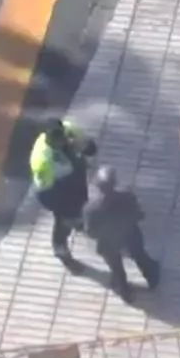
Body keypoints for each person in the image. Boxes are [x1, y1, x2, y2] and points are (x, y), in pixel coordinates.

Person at [82, 166, 160, 300]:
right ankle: (153, 279)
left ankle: (124, 291)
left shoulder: (91, 209)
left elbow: (90, 232)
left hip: (108, 242)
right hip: (130, 234)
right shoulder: (127, 196)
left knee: (116, 267)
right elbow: (139, 214)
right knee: (141, 257)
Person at [29, 117, 97, 265]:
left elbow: (90, 147)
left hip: (75, 180)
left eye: (62, 138)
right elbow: (44, 187)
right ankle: (60, 246)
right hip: (55, 189)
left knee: (80, 206)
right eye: (56, 142)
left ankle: (78, 219)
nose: (60, 143)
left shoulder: (69, 129)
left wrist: (82, 147)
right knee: (64, 219)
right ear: (47, 138)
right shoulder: (42, 159)